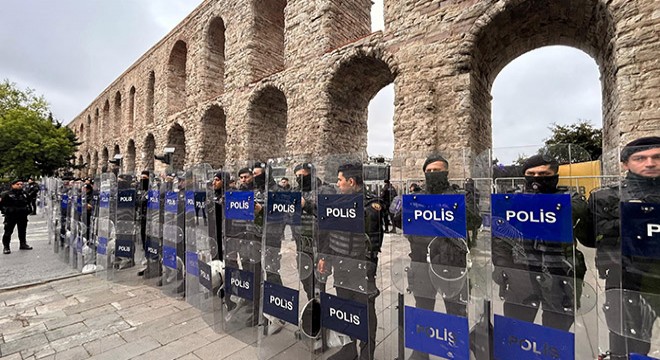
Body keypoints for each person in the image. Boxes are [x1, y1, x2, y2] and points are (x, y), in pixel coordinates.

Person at [492, 154, 589, 331]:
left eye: (544, 174)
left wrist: (532, 203)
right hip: (521, 270)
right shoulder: (511, 198)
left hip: (559, 272)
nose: (537, 178)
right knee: (516, 329)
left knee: (556, 332)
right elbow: (500, 236)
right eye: (532, 173)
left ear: (555, 176)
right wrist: (501, 264)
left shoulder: (571, 197)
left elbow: (575, 212)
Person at [398, 155, 481, 360]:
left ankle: (457, 351)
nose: (434, 174)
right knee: (423, 308)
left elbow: (474, 220)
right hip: (420, 260)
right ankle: (420, 351)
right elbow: (401, 221)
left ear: (447, 172)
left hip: (451, 263)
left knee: (455, 311)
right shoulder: (417, 196)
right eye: (430, 171)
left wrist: (449, 207)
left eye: (438, 170)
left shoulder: (459, 195)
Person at [588, 136, 660, 360]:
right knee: (626, 341)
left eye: (657, 157)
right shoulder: (606, 197)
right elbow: (592, 237)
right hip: (625, 276)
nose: (650, 163)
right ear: (625, 163)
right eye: (640, 158)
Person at [318, 162, 384, 360]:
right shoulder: (338, 203)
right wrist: (324, 257)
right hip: (339, 265)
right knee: (344, 309)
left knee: (365, 312)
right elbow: (328, 233)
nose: (337, 184)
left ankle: (366, 354)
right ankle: (348, 348)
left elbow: (370, 220)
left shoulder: (371, 204)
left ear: (351, 181)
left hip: (361, 268)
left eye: (340, 180)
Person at [0, 180, 33, 254]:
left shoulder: (24, 193)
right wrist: (5, 211)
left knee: (22, 231)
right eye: (18, 184)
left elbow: (28, 202)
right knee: (8, 231)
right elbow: (1, 204)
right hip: (11, 216)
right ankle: (6, 247)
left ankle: (23, 244)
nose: (20, 185)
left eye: (21, 184)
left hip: (22, 215)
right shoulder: (6, 194)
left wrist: (29, 210)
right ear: (13, 185)